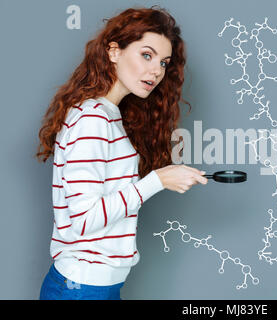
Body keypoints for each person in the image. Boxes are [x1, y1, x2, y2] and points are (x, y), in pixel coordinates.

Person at [35, 6, 207, 300]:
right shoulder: (92, 120)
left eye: (164, 63)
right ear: (114, 52)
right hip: (81, 289)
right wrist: (157, 181)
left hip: (97, 287)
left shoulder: (109, 116)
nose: (156, 70)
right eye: (146, 55)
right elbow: (84, 219)